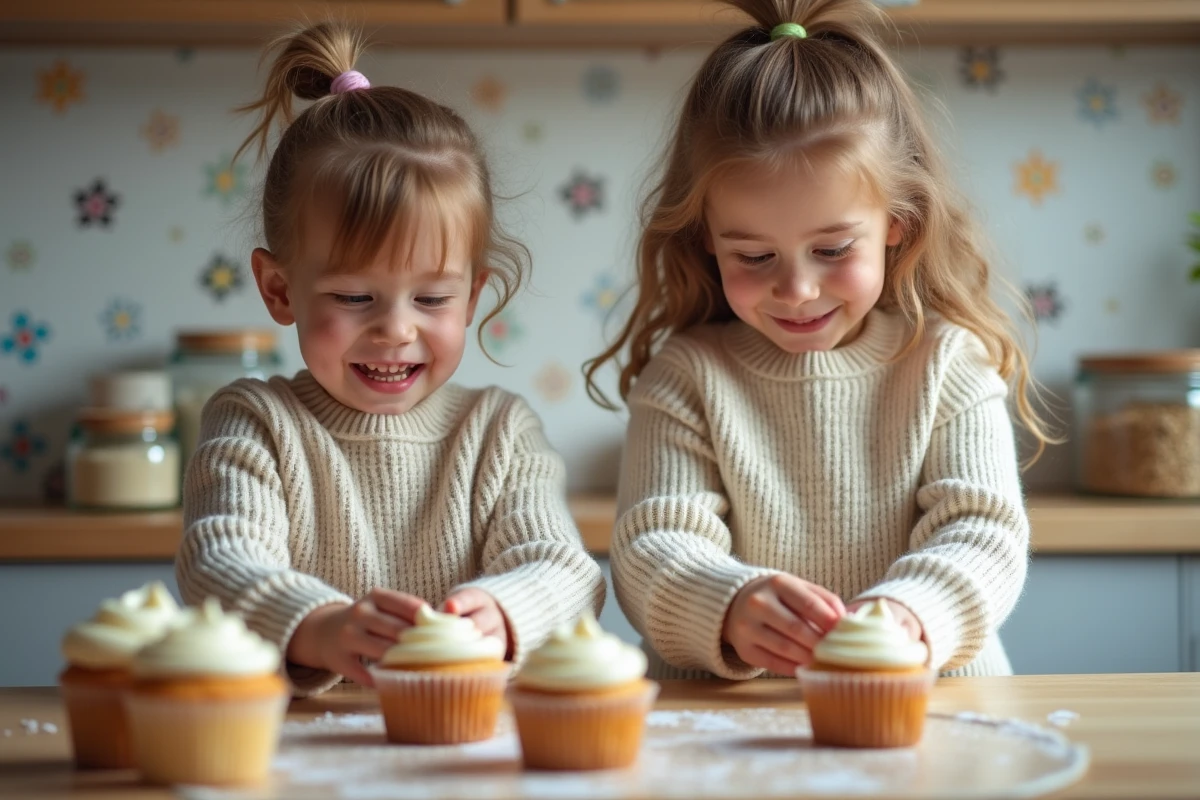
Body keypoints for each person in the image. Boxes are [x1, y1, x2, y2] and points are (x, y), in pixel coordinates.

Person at [586, 0, 1052, 680]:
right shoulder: (686, 376)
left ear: (898, 221)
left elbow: (982, 531)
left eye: (832, 249)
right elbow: (655, 546)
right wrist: (730, 604)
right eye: (753, 257)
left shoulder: (947, 362)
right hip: (736, 730)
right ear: (706, 242)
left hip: (937, 707)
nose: (798, 289)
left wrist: (911, 614)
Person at [177, 22, 604, 695]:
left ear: (473, 297)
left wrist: (504, 614)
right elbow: (219, 561)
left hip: (464, 752)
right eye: (354, 296)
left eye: (433, 298)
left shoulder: (498, 432)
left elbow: (564, 571)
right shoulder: (255, 422)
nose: (395, 330)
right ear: (279, 289)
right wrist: (319, 628)